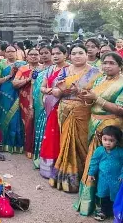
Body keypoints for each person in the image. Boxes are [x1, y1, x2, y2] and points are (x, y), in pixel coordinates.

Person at [75, 52, 123, 216]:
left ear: (119, 66)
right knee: (94, 162)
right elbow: (91, 101)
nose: (107, 66)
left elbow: (120, 109)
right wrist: (86, 97)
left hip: (111, 128)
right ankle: (92, 203)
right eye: (104, 63)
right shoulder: (100, 79)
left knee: (111, 167)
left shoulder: (122, 82)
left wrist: (97, 98)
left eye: (111, 63)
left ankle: (111, 206)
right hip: (94, 124)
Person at [48, 44, 101, 193]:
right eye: (74, 53)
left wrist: (80, 91)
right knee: (65, 142)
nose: (77, 56)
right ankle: (65, 179)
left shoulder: (95, 72)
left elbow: (97, 93)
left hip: (84, 111)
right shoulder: (64, 71)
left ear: (86, 55)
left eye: (80, 53)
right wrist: (61, 90)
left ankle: (83, 178)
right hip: (65, 110)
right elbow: (55, 91)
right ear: (70, 56)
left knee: (83, 143)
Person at [39, 45, 69, 178]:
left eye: (59, 53)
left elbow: (65, 90)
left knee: (59, 135)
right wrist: (50, 90)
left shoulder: (69, 70)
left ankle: (59, 167)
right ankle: (48, 168)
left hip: (61, 107)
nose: (55, 56)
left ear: (65, 55)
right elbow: (42, 87)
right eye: (54, 53)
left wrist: (49, 90)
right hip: (50, 106)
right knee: (50, 135)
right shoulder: (51, 69)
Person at [86, 126, 123, 221]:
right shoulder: (99, 151)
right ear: (101, 138)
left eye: (111, 140)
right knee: (104, 196)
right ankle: (104, 212)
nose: (107, 143)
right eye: (105, 139)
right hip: (103, 180)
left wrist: (122, 174)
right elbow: (94, 162)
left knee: (115, 197)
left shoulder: (120, 152)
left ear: (117, 141)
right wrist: (91, 173)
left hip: (116, 180)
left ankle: (115, 212)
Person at [0, 45, 27, 153]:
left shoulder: (23, 64)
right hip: (5, 94)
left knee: (17, 118)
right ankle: (6, 143)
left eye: (12, 51)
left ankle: (18, 144)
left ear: (16, 52)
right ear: (5, 53)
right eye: (8, 51)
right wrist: (9, 76)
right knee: (5, 117)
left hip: (19, 93)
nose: (10, 53)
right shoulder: (1, 64)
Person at [13, 48, 41, 158]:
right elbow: (14, 83)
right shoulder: (23, 69)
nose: (33, 56)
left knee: (39, 123)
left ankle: (38, 148)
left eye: (36, 54)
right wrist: (27, 80)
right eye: (31, 55)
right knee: (28, 123)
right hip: (25, 101)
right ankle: (28, 148)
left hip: (40, 100)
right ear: (27, 56)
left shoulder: (44, 68)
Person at [32, 46, 53, 168]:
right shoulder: (38, 69)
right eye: (42, 53)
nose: (44, 55)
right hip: (37, 102)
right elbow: (33, 86)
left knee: (47, 129)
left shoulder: (55, 69)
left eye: (47, 53)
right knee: (39, 128)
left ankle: (46, 158)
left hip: (49, 103)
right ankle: (38, 155)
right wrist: (31, 102)